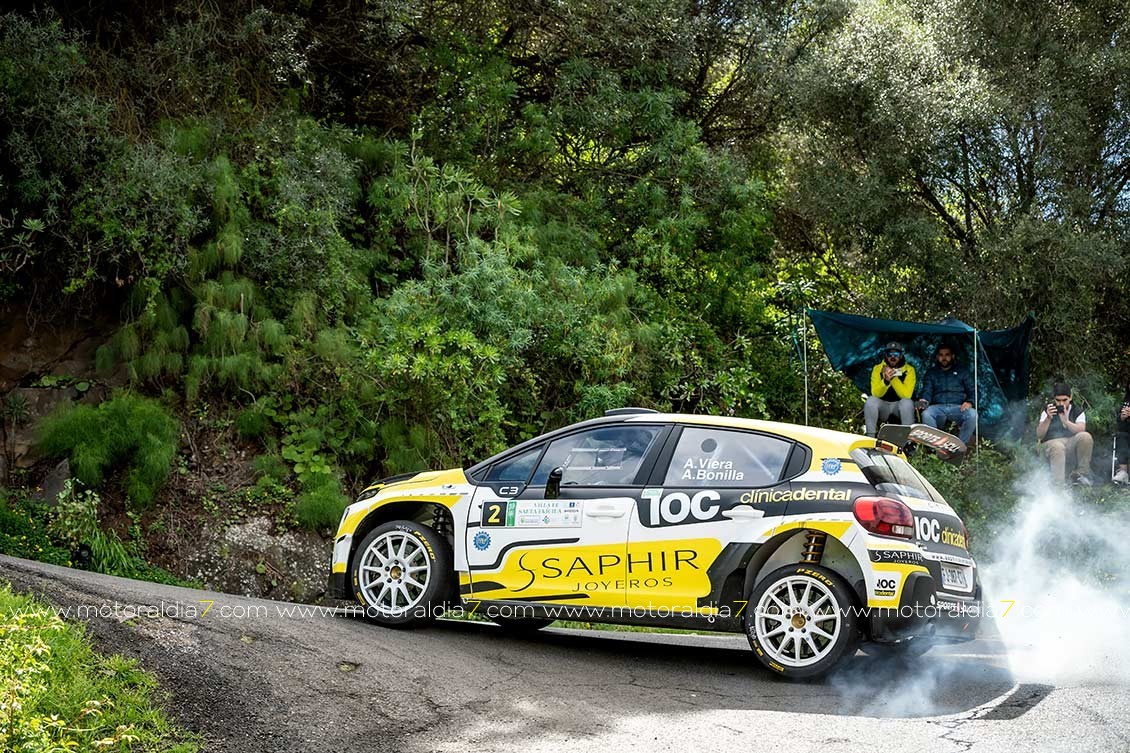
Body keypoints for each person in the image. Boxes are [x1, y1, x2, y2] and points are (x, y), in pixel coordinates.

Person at [915, 344, 978, 445]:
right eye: (941, 355)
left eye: (947, 355)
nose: (944, 358)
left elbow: (973, 390)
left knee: (972, 414)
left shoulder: (963, 371)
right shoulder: (931, 373)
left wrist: (970, 402)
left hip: (958, 408)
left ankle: (960, 446)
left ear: (952, 356)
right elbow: (927, 390)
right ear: (937, 357)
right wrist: (924, 400)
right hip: (938, 407)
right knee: (926, 414)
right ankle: (936, 446)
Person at [1036, 383, 1093, 485]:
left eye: (1064, 400)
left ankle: (1080, 475)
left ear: (1070, 397)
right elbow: (1039, 435)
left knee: (1085, 437)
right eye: (1058, 400)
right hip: (1050, 445)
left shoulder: (1077, 411)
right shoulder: (1048, 410)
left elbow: (1081, 429)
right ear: (1054, 399)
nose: (1061, 403)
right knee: (1057, 446)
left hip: (1069, 443)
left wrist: (1066, 422)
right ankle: (1059, 486)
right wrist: (1048, 418)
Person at [864, 341, 916, 437]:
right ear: (886, 356)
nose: (893, 357)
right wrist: (886, 381)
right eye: (889, 354)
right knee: (870, 400)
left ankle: (908, 441)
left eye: (896, 354)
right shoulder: (877, 369)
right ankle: (870, 437)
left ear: (900, 356)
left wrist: (893, 376)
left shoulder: (909, 370)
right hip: (883, 407)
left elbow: (907, 395)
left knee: (907, 402)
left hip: (899, 407)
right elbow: (875, 393)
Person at [1113, 387, 1130, 484]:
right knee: (1121, 436)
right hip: (1127, 433)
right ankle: (1123, 472)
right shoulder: (1127, 398)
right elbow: (1120, 425)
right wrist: (1122, 417)